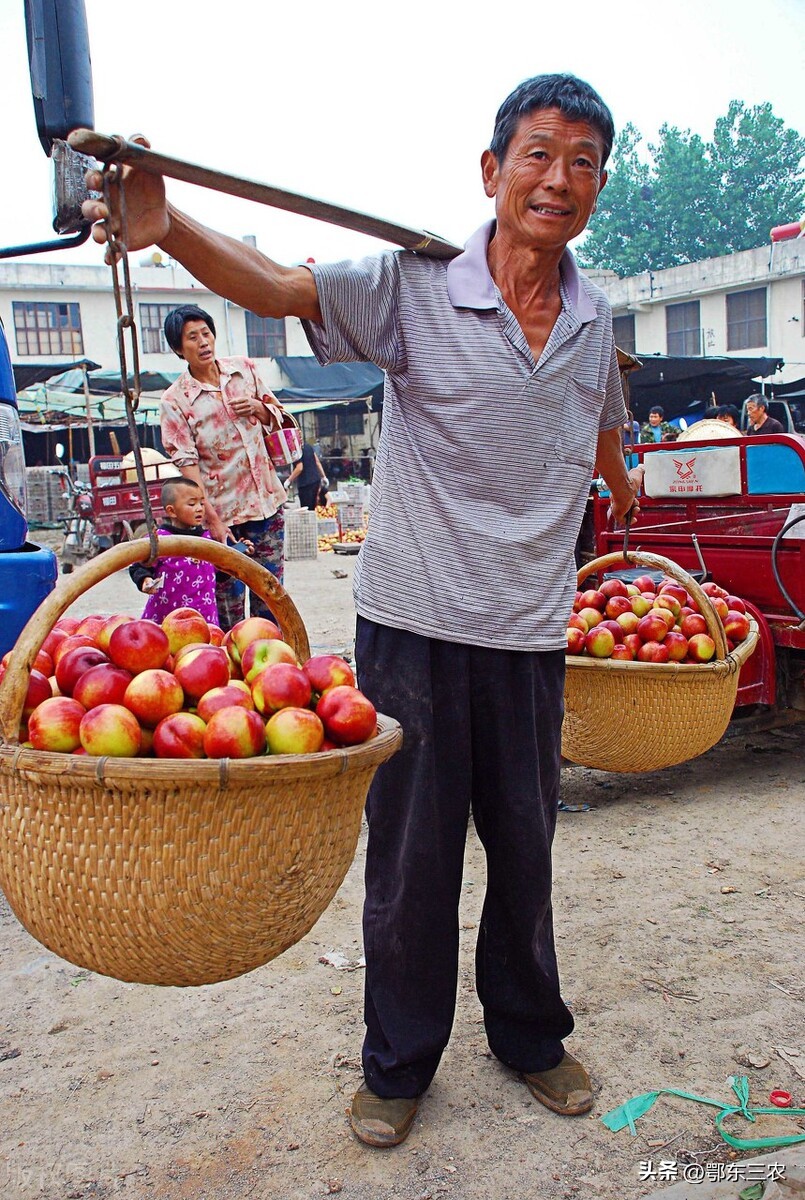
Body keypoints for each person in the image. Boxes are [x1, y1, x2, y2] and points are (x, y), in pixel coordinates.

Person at [82, 72, 642, 1148]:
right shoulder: (413, 283)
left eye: (581, 161)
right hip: (416, 623)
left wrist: (619, 483)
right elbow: (279, 285)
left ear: (598, 186)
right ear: (491, 171)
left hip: (528, 632)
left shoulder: (593, 311)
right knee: (412, 861)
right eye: (537, 153)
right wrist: (168, 227)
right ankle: (397, 1064)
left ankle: (529, 1036)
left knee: (525, 853)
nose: (557, 178)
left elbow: (600, 417)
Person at [159, 305, 288, 631]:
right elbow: (187, 465)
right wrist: (213, 522)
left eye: (206, 333)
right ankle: (232, 674)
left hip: (267, 506)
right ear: (179, 349)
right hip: (225, 519)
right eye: (192, 337)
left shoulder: (243, 371)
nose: (203, 342)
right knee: (227, 605)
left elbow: (280, 416)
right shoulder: (176, 400)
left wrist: (259, 408)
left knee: (271, 595)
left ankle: (271, 665)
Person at [128, 476, 219, 624]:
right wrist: (145, 580)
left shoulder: (207, 538)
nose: (199, 508)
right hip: (167, 618)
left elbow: (220, 571)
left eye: (202, 503)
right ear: (171, 511)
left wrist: (240, 552)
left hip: (204, 617)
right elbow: (139, 566)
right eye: (192, 504)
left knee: (204, 647)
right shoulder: (160, 540)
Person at [286, 441, 329, 509]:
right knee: (314, 507)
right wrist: (324, 476)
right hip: (316, 481)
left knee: (307, 510)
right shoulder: (308, 446)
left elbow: (299, 467)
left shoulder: (295, 450)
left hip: (305, 484)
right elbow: (317, 462)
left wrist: (288, 480)